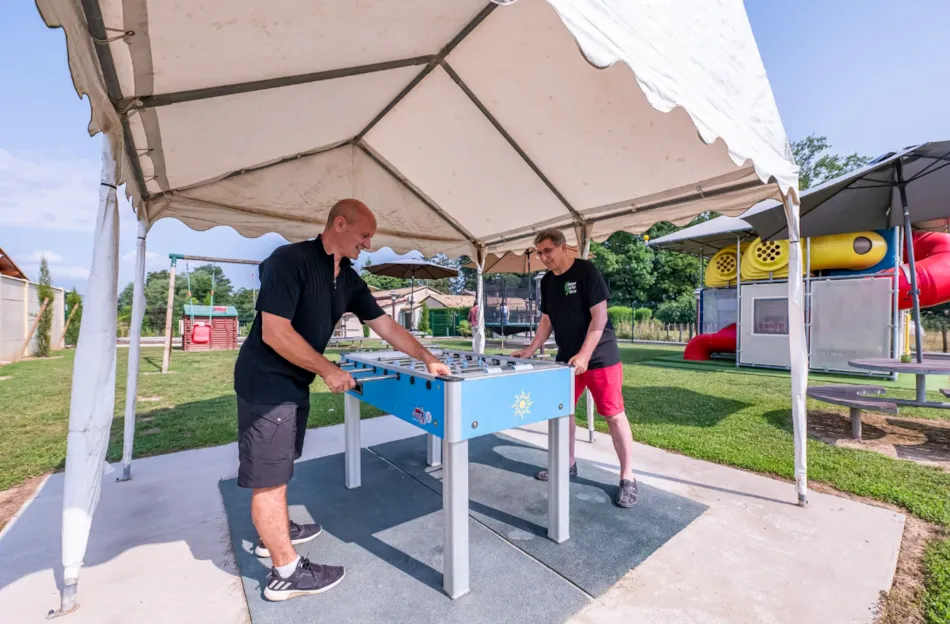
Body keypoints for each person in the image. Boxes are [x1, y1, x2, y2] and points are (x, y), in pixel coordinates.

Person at [233, 198, 452, 602]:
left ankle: (273, 532)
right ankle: (284, 571)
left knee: (281, 466)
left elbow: (385, 324)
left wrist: (428, 358)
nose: (368, 244)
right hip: (265, 382)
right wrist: (328, 370)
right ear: (339, 224)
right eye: (364, 235)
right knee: (268, 479)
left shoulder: (348, 278)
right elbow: (274, 333)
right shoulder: (289, 261)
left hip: (292, 382)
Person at [511, 228, 638, 508]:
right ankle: (567, 464)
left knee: (614, 415)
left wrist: (584, 355)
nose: (544, 257)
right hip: (567, 358)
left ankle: (628, 477)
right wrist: (532, 348)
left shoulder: (586, 272)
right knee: (562, 412)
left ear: (563, 247)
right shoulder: (546, 282)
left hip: (600, 356)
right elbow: (547, 320)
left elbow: (599, 318)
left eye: (548, 251)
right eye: (540, 253)